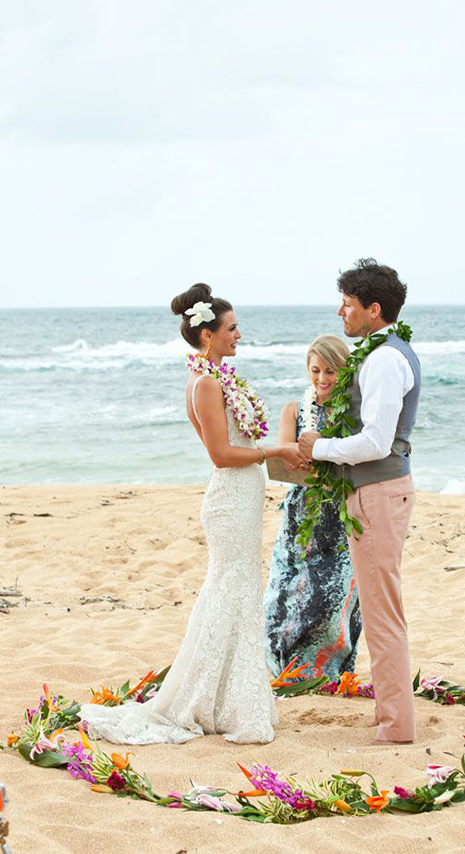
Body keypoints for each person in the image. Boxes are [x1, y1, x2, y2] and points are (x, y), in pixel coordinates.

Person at [78, 282, 304, 745]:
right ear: (208, 335)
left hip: (243, 499)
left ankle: (229, 697)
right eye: (233, 328)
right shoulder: (204, 384)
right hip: (229, 499)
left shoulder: (220, 379)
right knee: (231, 592)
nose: (239, 334)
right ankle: (209, 701)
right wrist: (275, 449)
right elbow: (221, 454)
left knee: (239, 592)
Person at [298, 259, 421, 745]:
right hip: (373, 492)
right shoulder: (380, 353)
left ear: (373, 310)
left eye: (347, 305)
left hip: (378, 493)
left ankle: (396, 727)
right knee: (379, 607)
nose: (339, 313)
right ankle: (389, 715)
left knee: (382, 612)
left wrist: (318, 447)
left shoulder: (386, 360)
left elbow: (376, 442)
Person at [264, 335, 362, 678]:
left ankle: (327, 669)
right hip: (302, 512)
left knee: (331, 597)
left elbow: (358, 458)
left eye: (330, 371)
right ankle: (286, 667)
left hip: (340, 512)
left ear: (344, 370)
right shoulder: (295, 409)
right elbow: (284, 455)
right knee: (287, 592)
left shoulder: (354, 412)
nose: (322, 379)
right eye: (315, 370)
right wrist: (297, 458)